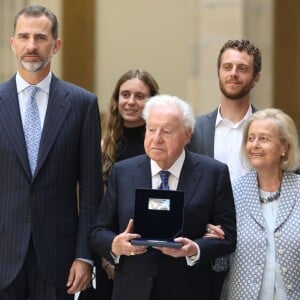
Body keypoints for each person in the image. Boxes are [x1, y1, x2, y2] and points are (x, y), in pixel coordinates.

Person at [0, 5, 103, 299]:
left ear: (56, 45)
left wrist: (85, 256)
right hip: (4, 255)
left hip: (60, 258)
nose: (31, 46)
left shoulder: (83, 104)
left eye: (41, 38)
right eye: (24, 37)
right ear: (13, 44)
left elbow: (92, 189)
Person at [90, 94, 236, 300]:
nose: (156, 138)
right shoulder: (123, 172)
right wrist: (115, 244)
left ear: (187, 135)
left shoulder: (213, 173)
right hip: (133, 290)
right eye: (151, 129)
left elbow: (228, 237)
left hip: (189, 290)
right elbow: (98, 230)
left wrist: (194, 249)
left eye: (166, 131)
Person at [187, 39, 262, 299]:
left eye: (242, 68)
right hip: (207, 249)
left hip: (257, 249)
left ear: (255, 77)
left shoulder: (268, 131)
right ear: (218, 72)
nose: (233, 73)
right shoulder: (195, 130)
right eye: (227, 66)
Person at [218, 108, 300, 299]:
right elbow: (221, 262)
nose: (254, 145)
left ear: (284, 147)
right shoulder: (233, 192)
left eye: (263, 139)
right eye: (251, 138)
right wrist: (214, 240)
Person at [98, 69, 159, 300]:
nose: (131, 102)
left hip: (152, 256)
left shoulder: (161, 146)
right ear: (116, 100)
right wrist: (108, 255)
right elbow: (96, 206)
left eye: (139, 96)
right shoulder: (103, 145)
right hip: (110, 253)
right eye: (125, 95)